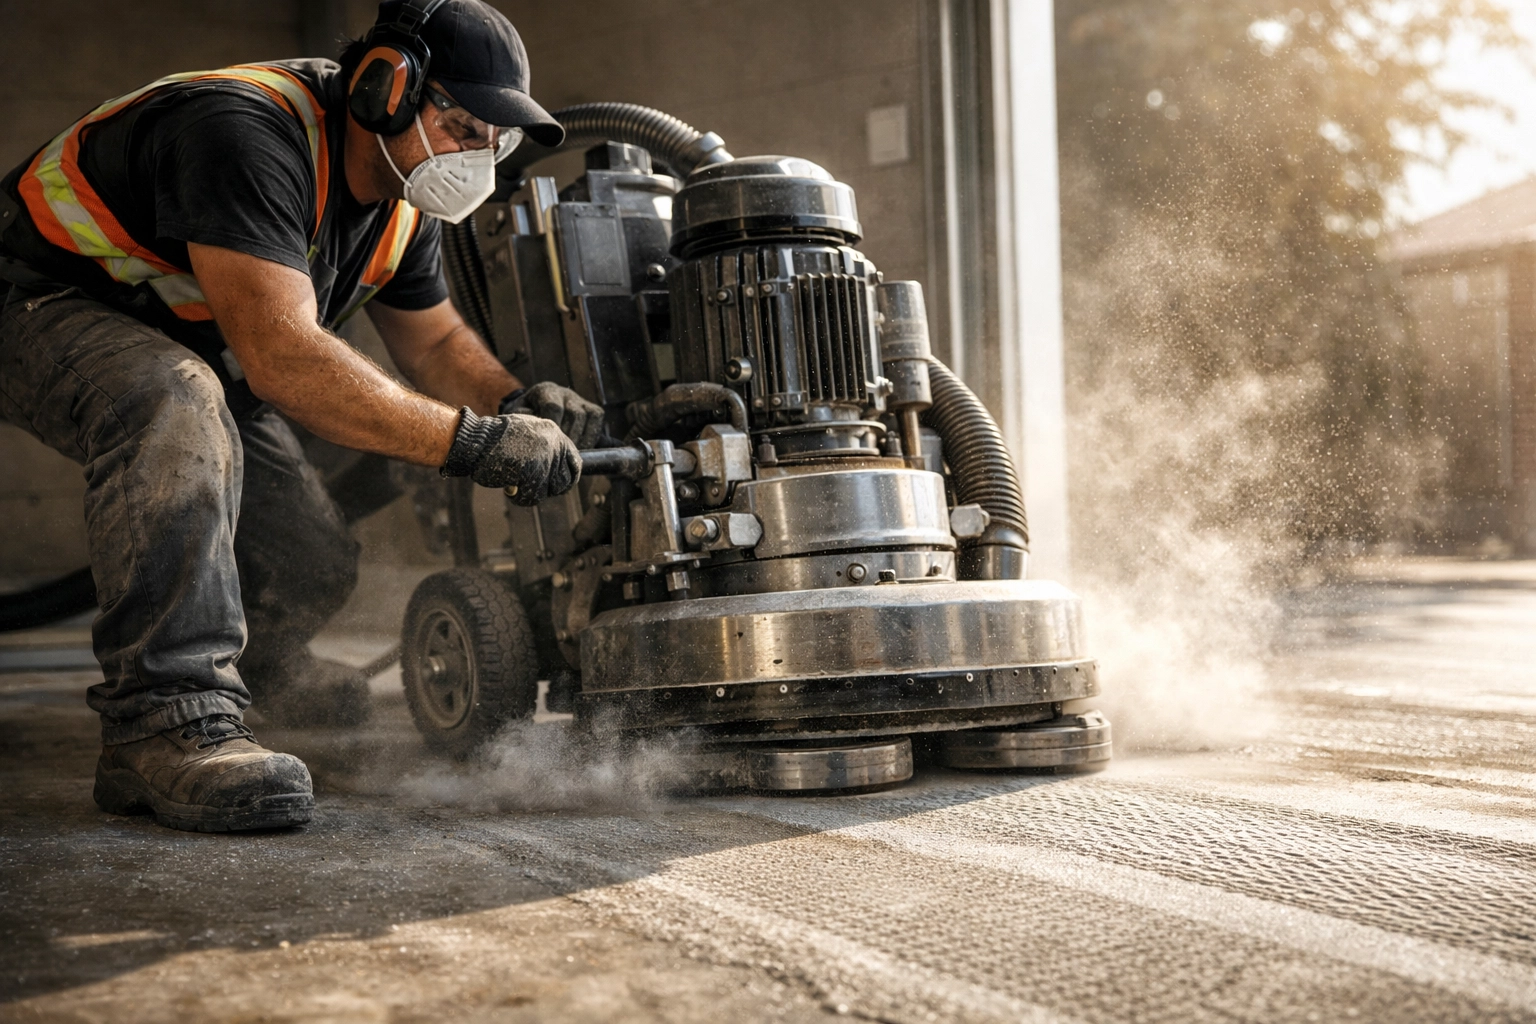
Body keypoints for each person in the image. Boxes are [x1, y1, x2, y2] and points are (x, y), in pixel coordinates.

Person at [0, 0, 606, 833]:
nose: (478, 156)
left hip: (193, 351)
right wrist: (476, 445)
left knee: (310, 553)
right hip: (37, 298)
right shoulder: (244, 131)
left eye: (491, 141)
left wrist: (515, 401)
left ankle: (266, 676)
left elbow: (433, 345)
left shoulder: (401, 201)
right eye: (464, 126)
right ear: (384, 89)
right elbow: (282, 358)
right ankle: (166, 722)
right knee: (173, 397)